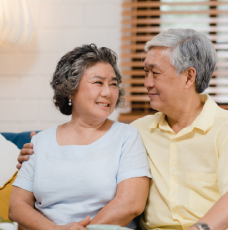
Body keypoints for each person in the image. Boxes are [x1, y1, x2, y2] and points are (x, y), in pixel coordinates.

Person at [17, 29, 228, 230]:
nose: (147, 83)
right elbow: (89, 149)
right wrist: (34, 155)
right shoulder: (139, 130)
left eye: (155, 73)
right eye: (145, 73)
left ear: (188, 78)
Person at [9, 44, 151, 230]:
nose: (108, 92)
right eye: (98, 82)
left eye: (113, 84)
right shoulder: (40, 141)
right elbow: (17, 207)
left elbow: (131, 204)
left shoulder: (127, 136)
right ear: (70, 89)